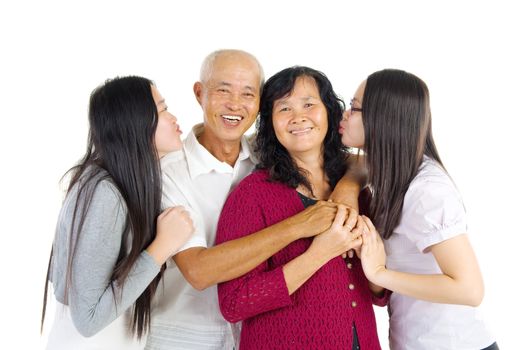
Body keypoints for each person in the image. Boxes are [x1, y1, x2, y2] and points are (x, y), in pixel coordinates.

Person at [147, 50, 364, 349]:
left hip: (244, 336)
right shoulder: (171, 173)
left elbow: (362, 161)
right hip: (186, 333)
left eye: (247, 93)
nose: (235, 104)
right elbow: (199, 272)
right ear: (200, 93)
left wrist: (349, 186)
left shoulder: (263, 156)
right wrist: (300, 228)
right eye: (223, 90)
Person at [215, 66, 385, 349]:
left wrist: (376, 269)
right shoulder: (252, 194)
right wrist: (318, 254)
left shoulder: (356, 191)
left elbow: (378, 293)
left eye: (309, 104)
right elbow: (234, 304)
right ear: (270, 122)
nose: (298, 117)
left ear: (330, 112)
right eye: (284, 108)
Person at [340, 68, 498, 350]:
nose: (344, 115)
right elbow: (346, 160)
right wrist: (350, 185)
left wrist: (379, 273)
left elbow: (470, 290)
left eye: (353, 107)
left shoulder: (427, 191)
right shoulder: (395, 170)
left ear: (382, 119)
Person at [41, 76, 195, 350]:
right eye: (161, 110)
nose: (173, 118)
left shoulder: (123, 185)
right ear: (134, 123)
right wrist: (162, 246)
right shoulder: (103, 192)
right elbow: (88, 319)